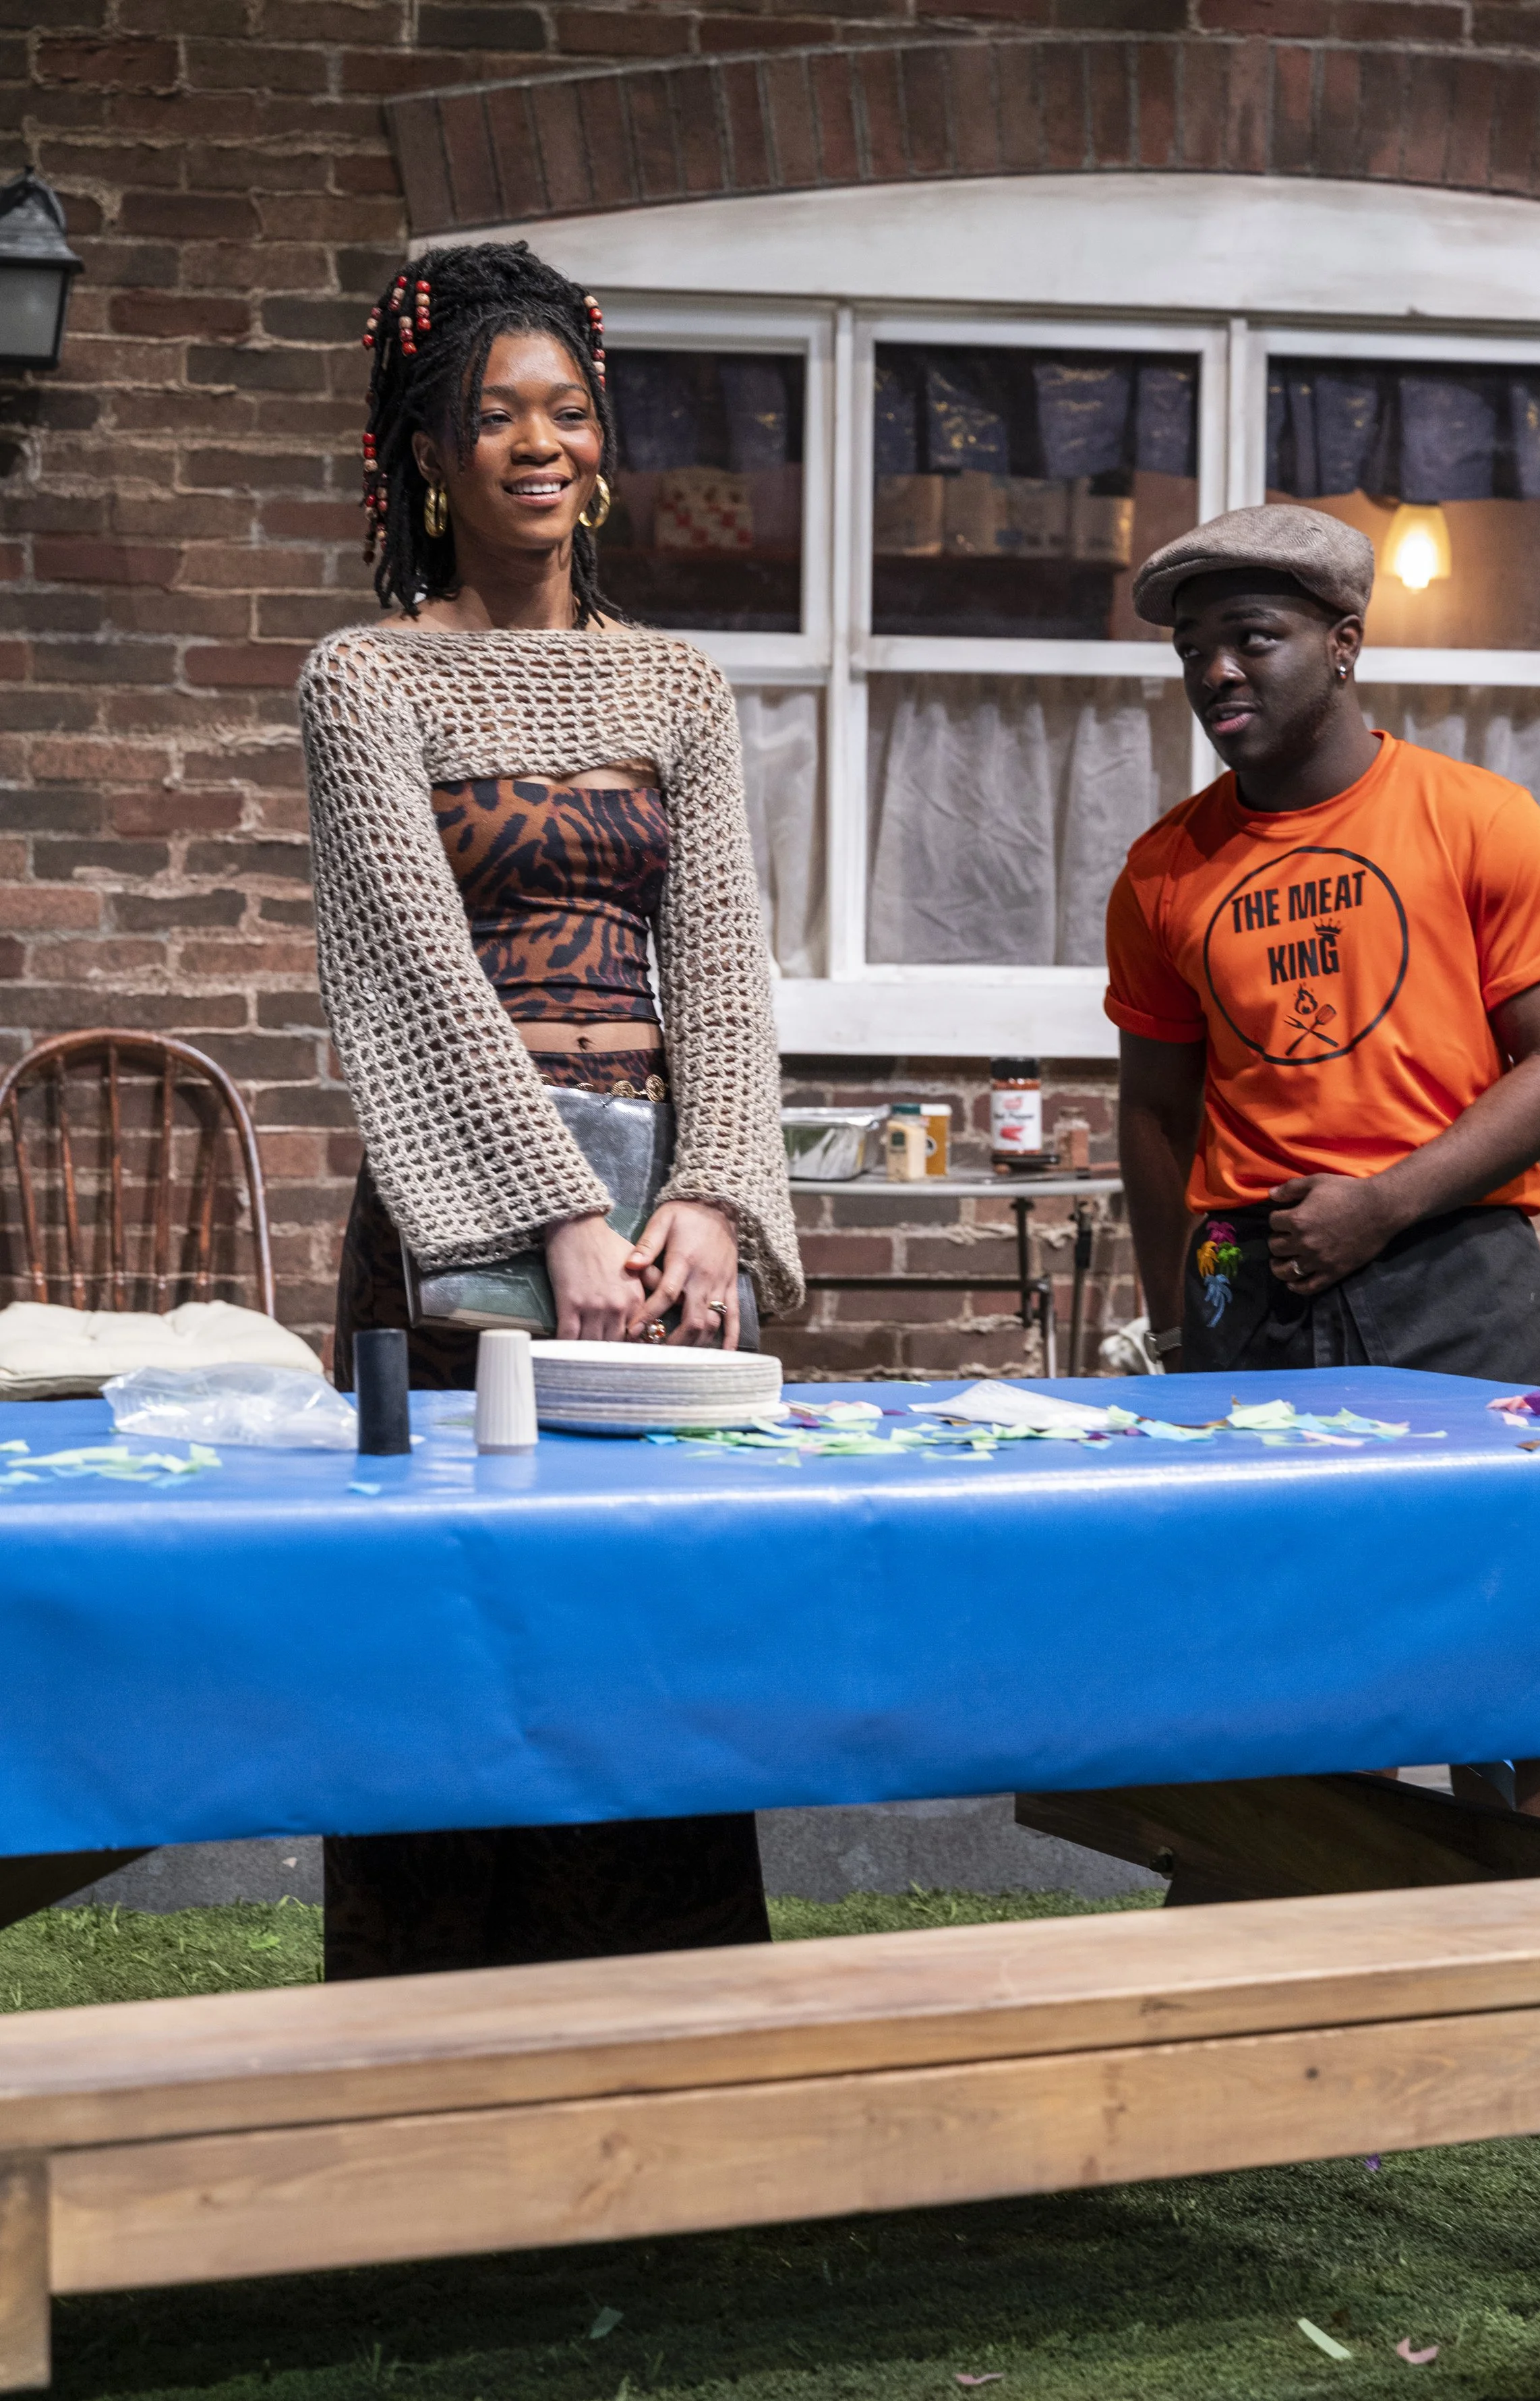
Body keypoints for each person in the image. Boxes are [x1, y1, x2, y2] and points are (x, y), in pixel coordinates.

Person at [297, 241, 804, 1975]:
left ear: (602, 450)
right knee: (448, 1630)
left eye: (568, 413)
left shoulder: (678, 685)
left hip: (660, 1244)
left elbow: (724, 960)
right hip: (455, 1245)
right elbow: (410, 972)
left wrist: (713, 1202)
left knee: (650, 1632)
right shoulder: (365, 680)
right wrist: (555, 1215)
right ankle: (420, 2046)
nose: (538, 442)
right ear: (424, 457)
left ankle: (660, 2054)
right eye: (492, 414)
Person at [1106, 504, 1540, 1824]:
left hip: (1454, 1273)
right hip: (1245, 1288)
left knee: (1503, 1640)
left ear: (1342, 645)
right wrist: (1174, 1319)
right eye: (1191, 649)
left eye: (1251, 638)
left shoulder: (1476, 820)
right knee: (1284, 1645)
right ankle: (1311, 1946)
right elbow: (1152, 1110)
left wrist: (1383, 1202)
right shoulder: (1165, 870)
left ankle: (1511, 1950)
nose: (1215, 671)